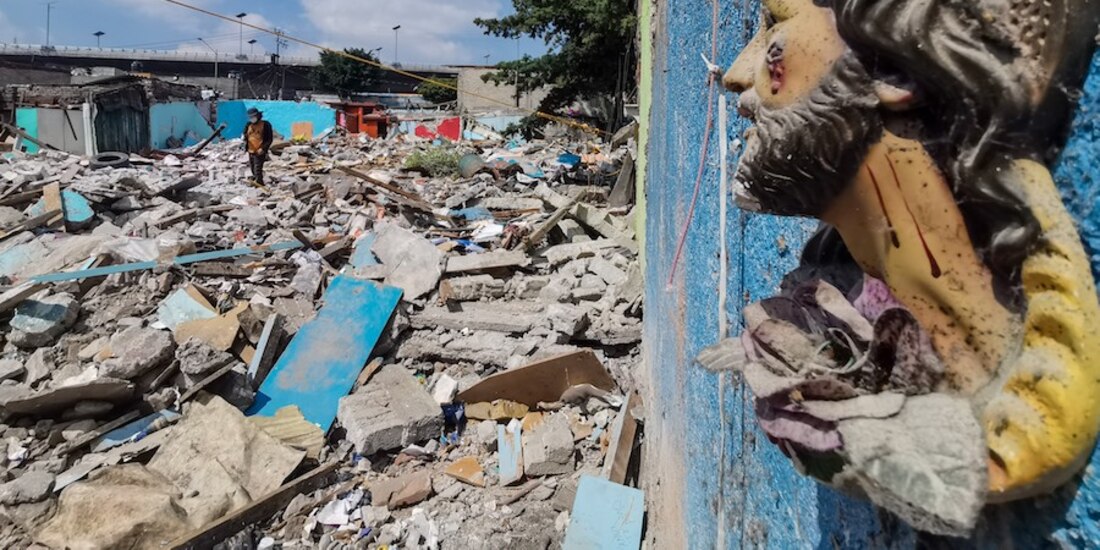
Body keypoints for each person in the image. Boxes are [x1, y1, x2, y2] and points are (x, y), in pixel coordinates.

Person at [244, 107, 273, 185]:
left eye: (253, 117)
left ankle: (259, 183)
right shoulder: (248, 125)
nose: (252, 119)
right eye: (250, 117)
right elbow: (245, 136)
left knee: (258, 169)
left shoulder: (265, 125)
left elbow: (269, 139)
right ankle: (256, 181)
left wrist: (263, 148)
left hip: (260, 151)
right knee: (252, 168)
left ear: (258, 116)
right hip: (251, 150)